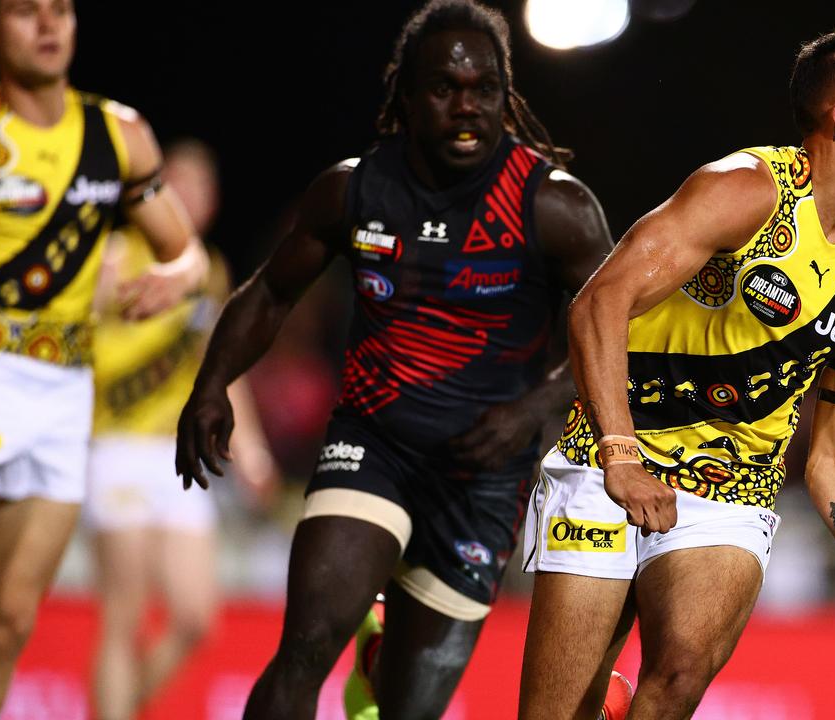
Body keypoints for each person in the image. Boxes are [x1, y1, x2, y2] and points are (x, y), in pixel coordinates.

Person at [518, 25, 835, 720]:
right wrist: (620, 456)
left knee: (680, 672)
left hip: (732, 489)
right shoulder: (743, 191)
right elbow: (599, 304)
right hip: (610, 458)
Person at [174, 1, 615, 718]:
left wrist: (534, 409)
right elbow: (271, 294)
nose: (466, 107)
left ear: (508, 95)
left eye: (485, 90)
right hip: (373, 444)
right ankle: (357, 646)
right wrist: (212, 385)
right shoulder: (354, 188)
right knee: (307, 645)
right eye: (444, 89)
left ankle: (379, 663)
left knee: (405, 710)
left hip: (482, 478)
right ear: (406, 96)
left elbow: (618, 331)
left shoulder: (555, 208)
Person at [0, 0, 208, 716]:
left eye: (61, 10)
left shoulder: (119, 133)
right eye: (25, 12)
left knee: (9, 619)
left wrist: (170, 279)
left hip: (61, 397)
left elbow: (188, 255)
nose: (48, 26)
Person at [85, 140, 279, 720]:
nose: (190, 198)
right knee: (124, 613)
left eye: (201, 188)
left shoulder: (208, 270)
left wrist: (253, 450)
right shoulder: (115, 253)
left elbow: (217, 370)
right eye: (179, 184)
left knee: (195, 617)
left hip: (175, 460)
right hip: (114, 448)